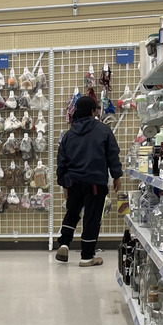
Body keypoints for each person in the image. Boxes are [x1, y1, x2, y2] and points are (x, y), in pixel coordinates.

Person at [55, 96, 123, 267]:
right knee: (91, 217)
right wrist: (116, 175)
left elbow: (61, 160)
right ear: (94, 111)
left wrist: (63, 183)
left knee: (72, 213)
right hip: (95, 182)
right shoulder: (103, 130)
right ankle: (87, 256)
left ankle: (64, 243)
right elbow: (112, 154)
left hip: (73, 181)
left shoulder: (69, 135)